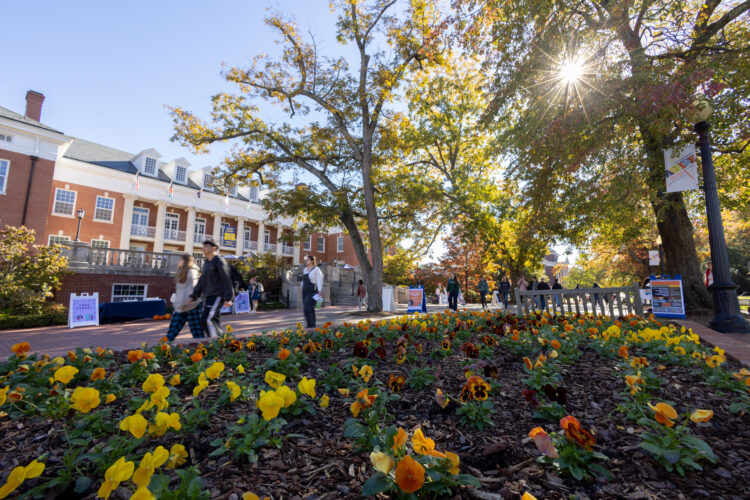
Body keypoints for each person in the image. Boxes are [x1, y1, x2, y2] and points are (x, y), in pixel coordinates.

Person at [189, 240, 234, 338]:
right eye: (203, 246)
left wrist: (228, 298)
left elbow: (227, 279)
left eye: (206, 246)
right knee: (214, 320)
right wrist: (194, 295)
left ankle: (214, 344)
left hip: (217, 295)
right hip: (208, 296)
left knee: (207, 319)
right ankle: (222, 342)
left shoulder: (219, 262)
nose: (203, 248)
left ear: (213, 248)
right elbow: (202, 281)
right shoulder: (206, 263)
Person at [167, 254, 204, 340]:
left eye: (181, 259)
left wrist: (188, 300)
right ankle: (164, 349)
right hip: (181, 307)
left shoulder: (191, 272)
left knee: (197, 333)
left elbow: (194, 289)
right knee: (172, 332)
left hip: (192, 306)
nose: (178, 261)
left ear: (186, 261)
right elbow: (180, 291)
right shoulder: (181, 272)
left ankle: (203, 350)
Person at [300, 255, 324, 328]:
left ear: (312, 261)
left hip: (312, 291)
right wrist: (301, 286)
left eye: (307, 260)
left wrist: (319, 291)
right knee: (307, 309)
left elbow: (319, 280)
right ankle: (310, 326)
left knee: (308, 308)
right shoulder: (305, 269)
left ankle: (312, 326)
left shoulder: (316, 269)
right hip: (305, 291)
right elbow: (303, 280)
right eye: (306, 260)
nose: (306, 261)